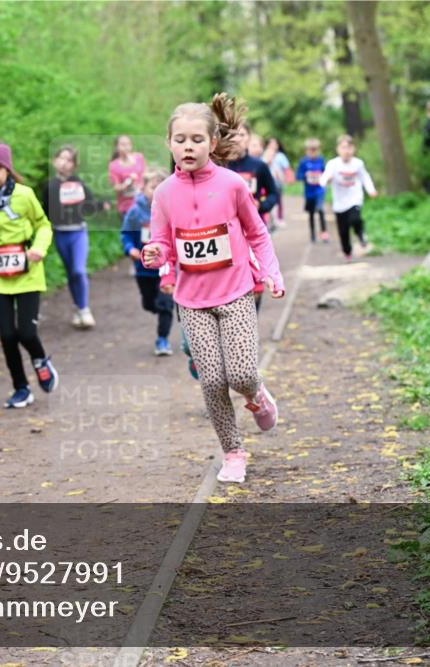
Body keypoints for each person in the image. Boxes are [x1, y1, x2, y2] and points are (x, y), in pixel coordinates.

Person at [142, 93, 285, 485]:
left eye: (197, 140)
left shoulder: (232, 184)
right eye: (181, 139)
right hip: (192, 300)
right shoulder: (164, 193)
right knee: (211, 381)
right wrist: (155, 254)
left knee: (240, 374)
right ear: (169, 143)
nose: (188, 147)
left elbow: (257, 233)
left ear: (213, 144)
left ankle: (257, 396)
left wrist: (272, 273)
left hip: (237, 291)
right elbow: (162, 244)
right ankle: (233, 452)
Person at [0, 140, 59, 409]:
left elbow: (44, 225)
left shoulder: (24, 195)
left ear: (8, 168)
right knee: (7, 336)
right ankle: (21, 388)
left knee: (26, 333)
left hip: (28, 273)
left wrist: (39, 249)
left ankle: (41, 361)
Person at [42, 144, 107, 329]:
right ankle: (78, 308)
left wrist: (102, 205)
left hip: (78, 232)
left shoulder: (79, 184)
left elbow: (90, 205)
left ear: (74, 165)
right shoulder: (50, 186)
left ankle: (85, 309)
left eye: (69, 160)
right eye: (61, 158)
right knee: (71, 273)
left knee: (79, 270)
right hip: (60, 233)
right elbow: (45, 212)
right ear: (54, 161)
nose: (64, 163)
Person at [120, 167, 174, 356]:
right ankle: (159, 307)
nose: (157, 191)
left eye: (161, 187)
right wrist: (130, 249)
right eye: (153, 187)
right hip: (143, 269)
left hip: (165, 268)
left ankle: (162, 339)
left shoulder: (172, 210)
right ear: (143, 189)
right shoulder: (135, 212)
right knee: (149, 304)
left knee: (165, 305)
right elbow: (125, 234)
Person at [320, 134, 378, 262]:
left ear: (353, 149)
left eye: (349, 147)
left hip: (355, 198)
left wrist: (371, 190)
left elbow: (365, 177)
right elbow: (324, 177)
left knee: (355, 218)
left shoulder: (358, 163)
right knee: (343, 232)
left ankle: (361, 234)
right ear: (338, 149)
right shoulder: (333, 164)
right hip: (339, 204)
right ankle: (348, 253)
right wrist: (326, 181)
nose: (346, 151)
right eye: (343, 147)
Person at [225, 124, 279, 227]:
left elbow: (273, 193)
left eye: (241, 135)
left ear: (249, 138)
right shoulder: (220, 165)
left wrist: (262, 205)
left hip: (255, 224)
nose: (237, 139)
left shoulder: (259, 165)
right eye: (232, 135)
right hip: (228, 228)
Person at [296, 137, 328, 243]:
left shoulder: (321, 160)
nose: (313, 152)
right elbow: (298, 175)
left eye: (315, 149)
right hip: (309, 193)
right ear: (307, 150)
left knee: (321, 210)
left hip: (319, 191)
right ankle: (313, 234)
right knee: (311, 214)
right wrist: (305, 175)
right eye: (311, 149)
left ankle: (324, 233)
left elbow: (326, 173)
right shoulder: (304, 162)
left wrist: (324, 177)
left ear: (318, 149)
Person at [108, 134, 146, 217]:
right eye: (123, 145)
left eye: (128, 144)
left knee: (145, 229)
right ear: (116, 147)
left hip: (143, 203)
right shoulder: (114, 165)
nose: (126, 147)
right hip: (126, 206)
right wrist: (128, 182)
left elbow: (145, 175)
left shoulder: (139, 157)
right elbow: (116, 188)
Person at [262, 137, 292, 224]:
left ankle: (279, 218)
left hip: (277, 183)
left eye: (275, 144)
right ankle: (269, 219)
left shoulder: (281, 156)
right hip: (266, 183)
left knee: (279, 201)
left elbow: (286, 168)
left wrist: (287, 177)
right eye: (271, 144)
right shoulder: (264, 154)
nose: (273, 146)